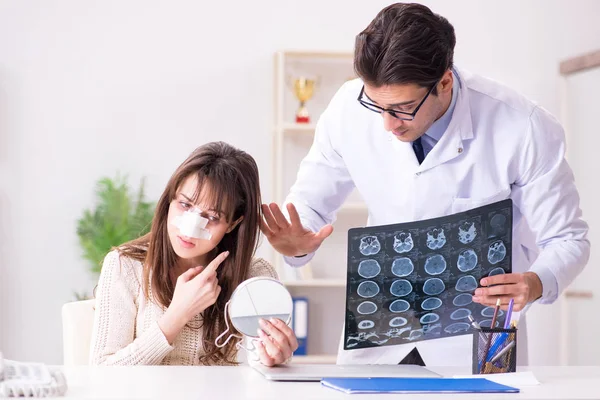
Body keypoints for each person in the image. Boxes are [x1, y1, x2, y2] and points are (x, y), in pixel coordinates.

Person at [261, 3, 589, 366]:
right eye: (376, 105)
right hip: (379, 323)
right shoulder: (346, 110)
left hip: (483, 330)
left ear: (444, 82)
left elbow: (568, 239)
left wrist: (537, 282)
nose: (388, 125)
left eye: (402, 108)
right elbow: (309, 206)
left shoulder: (522, 126)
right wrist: (296, 243)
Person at [90, 142, 298, 366]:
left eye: (213, 217)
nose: (189, 229)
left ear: (233, 223)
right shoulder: (125, 266)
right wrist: (178, 314)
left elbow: (259, 369)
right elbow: (102, 371)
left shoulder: (254, 275)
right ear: (170, 199)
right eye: (184, 204)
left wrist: (276, 358)